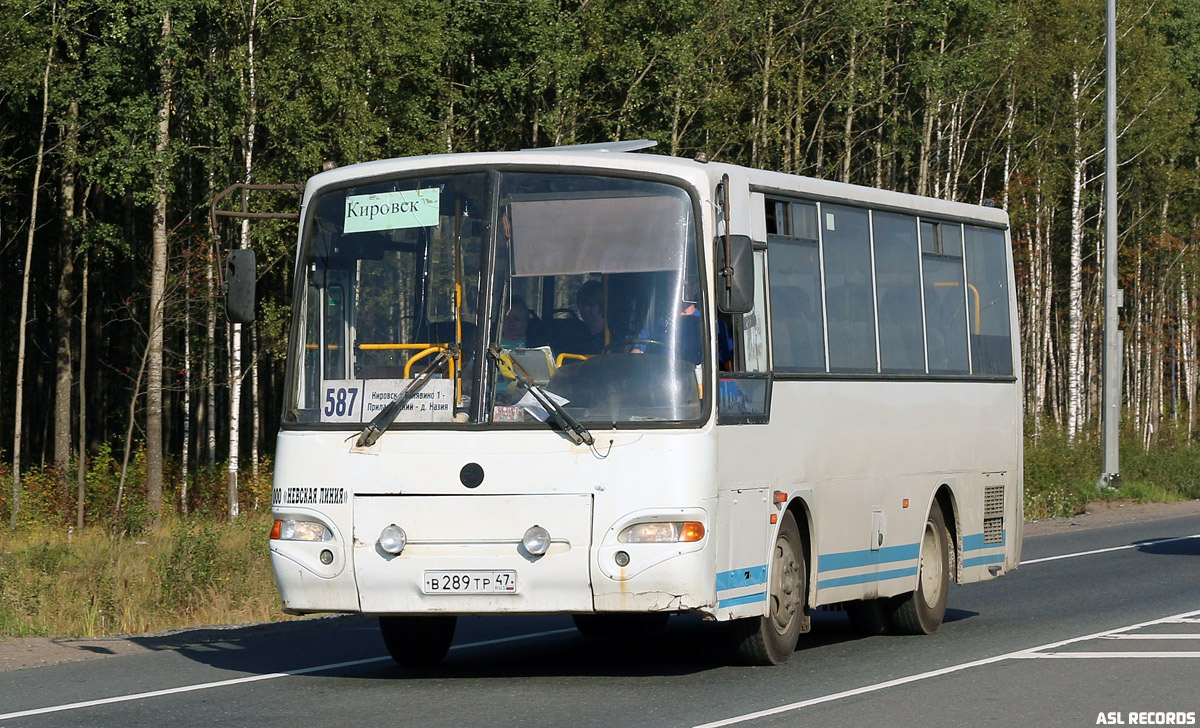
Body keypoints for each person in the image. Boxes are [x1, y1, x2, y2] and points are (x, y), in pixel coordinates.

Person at [575, 280, 606, 354]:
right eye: (582, 304)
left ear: (601, 307)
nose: (586, 310)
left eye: (591, 305)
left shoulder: (610, 334)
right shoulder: (576, 333)